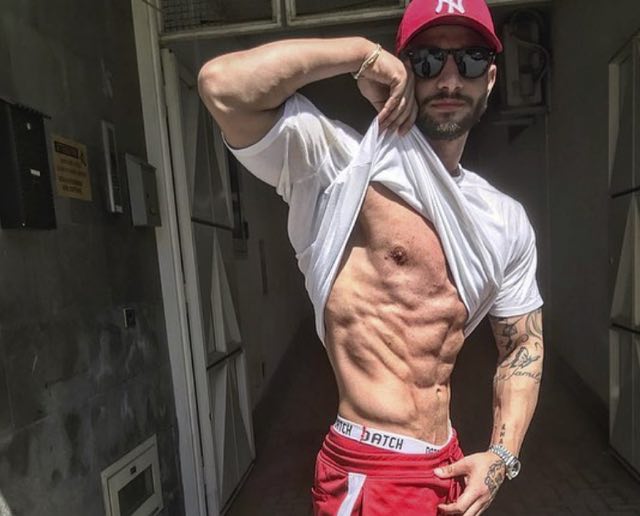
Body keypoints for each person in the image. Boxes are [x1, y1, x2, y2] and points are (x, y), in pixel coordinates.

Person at [198, 0, 544, 513]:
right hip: (370, 472)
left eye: (470, 61)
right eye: (429, 60)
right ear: (405, 70)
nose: (449, 79)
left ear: (490, 79)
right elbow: (221, 86)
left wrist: (501, 456)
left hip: (445, 462)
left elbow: (522, 346)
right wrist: (360, 54)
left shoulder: (505, 219)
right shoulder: (337, 168)